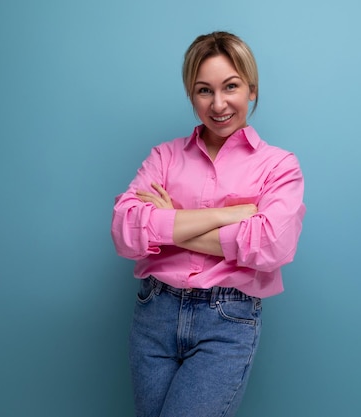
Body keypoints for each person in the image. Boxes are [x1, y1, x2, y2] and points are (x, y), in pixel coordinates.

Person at [111, 31, 306, 417]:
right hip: (154, 315)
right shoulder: (164, 157)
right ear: (190, 94)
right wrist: (229, 215)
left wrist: (170, 224)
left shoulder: (280, 167)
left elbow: (270, 247)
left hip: (226, 321)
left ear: (251, 89)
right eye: (204, 90)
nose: (218, 104)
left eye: (230, 86)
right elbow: (125, 231)